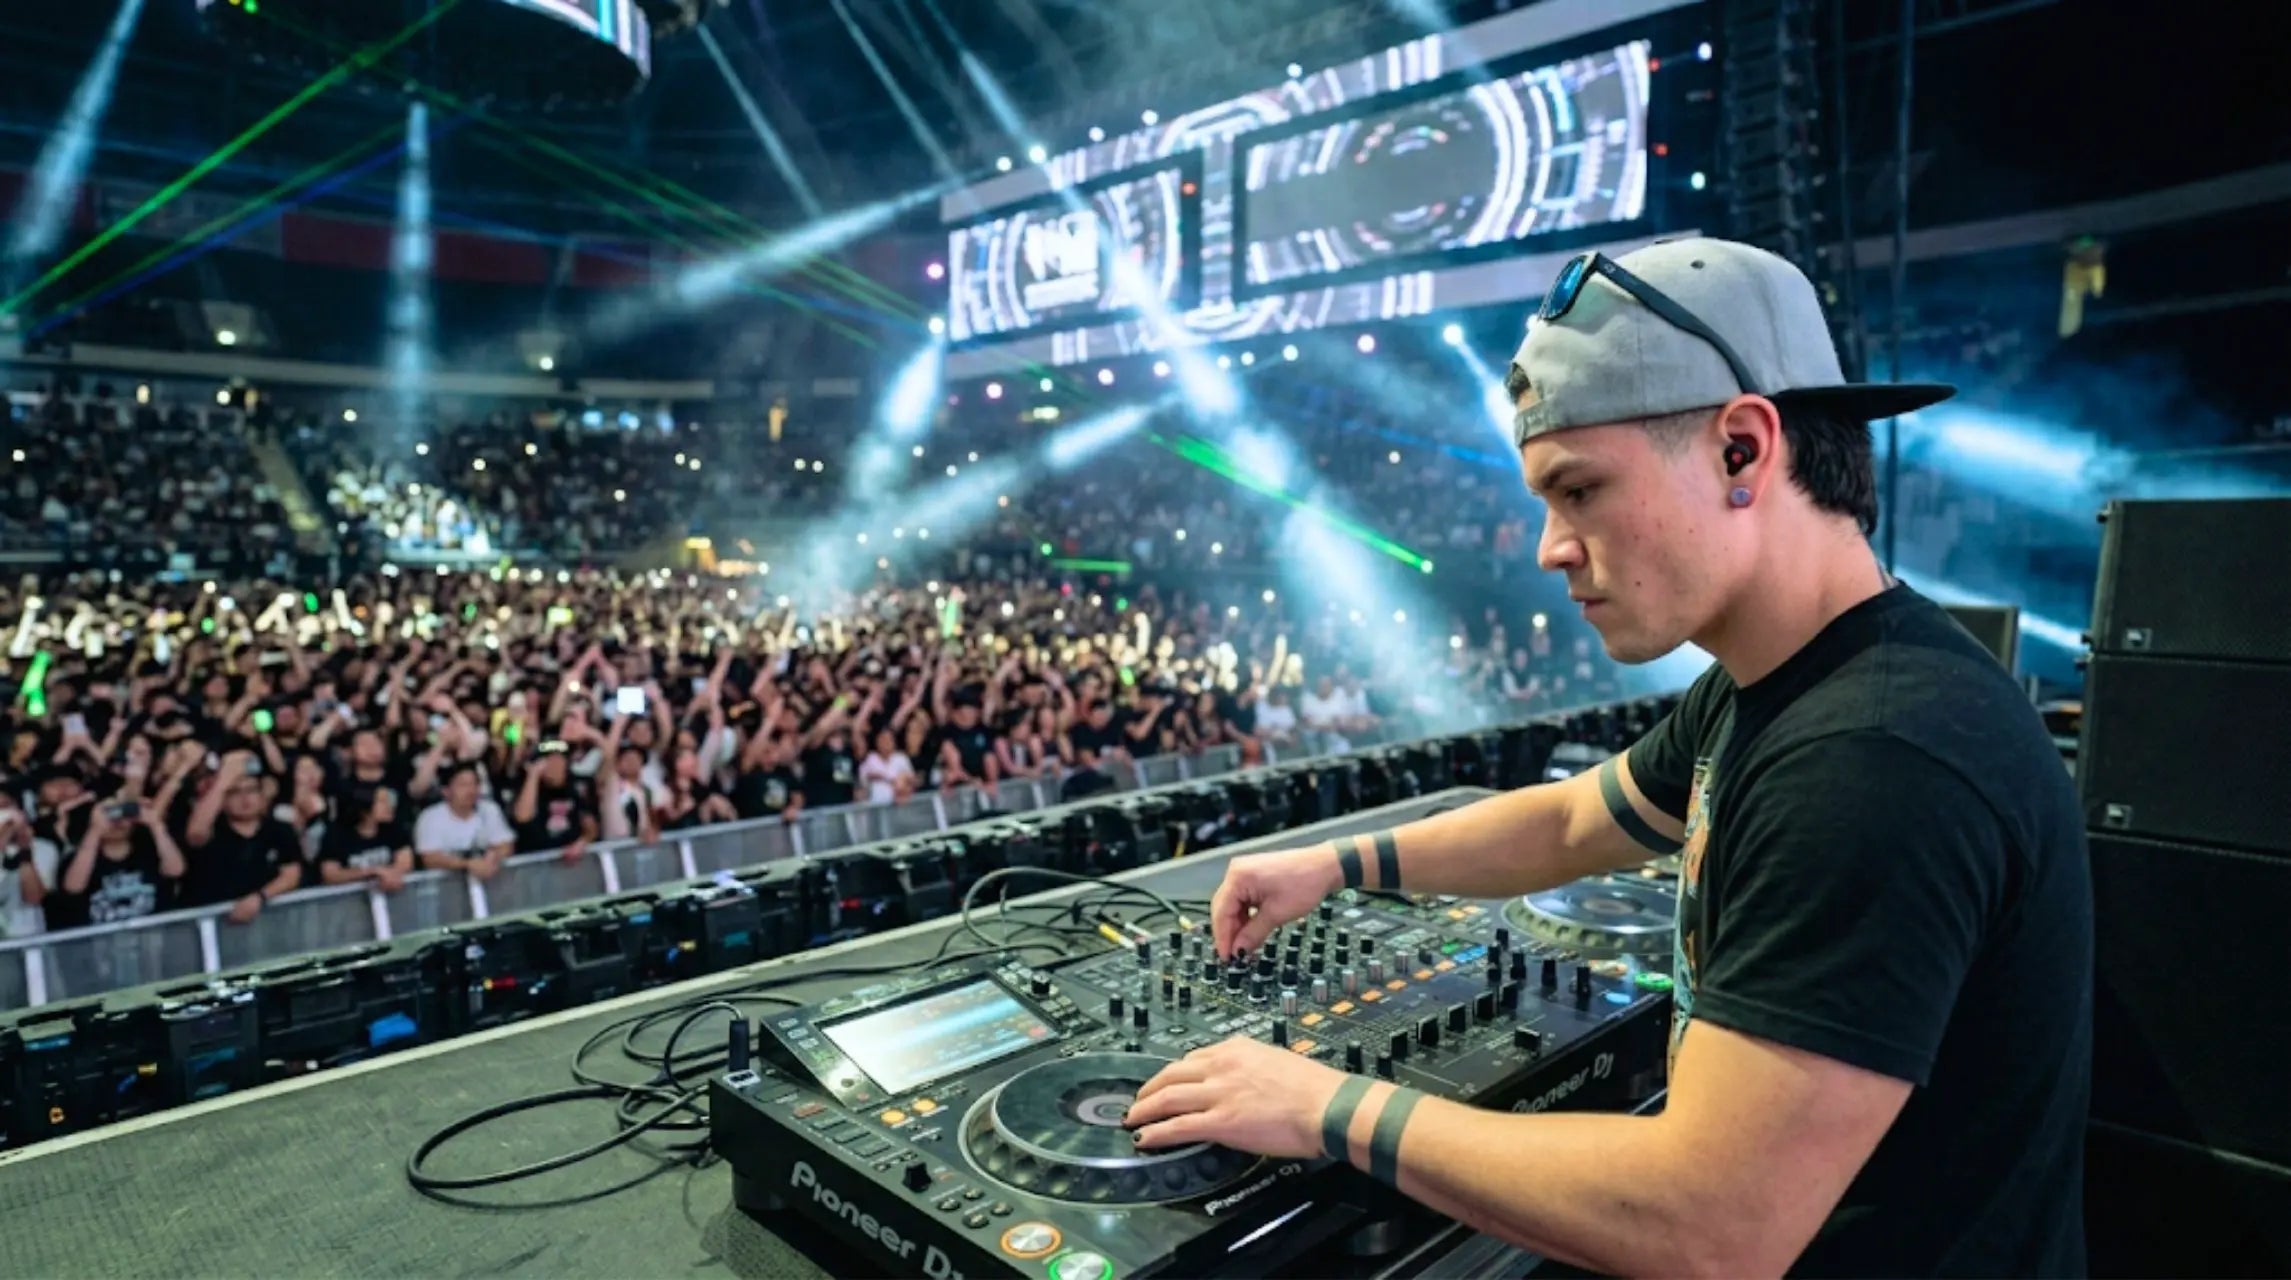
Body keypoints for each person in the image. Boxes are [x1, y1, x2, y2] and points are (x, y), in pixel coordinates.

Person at [1124, 238, 2091, 1277]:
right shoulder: (1780, 680)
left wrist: (1327, 1104)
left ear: (1741, 450)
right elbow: (1574, 818)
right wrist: (1336, 864)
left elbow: (1707, 1229)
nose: (1549, 545)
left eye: (1578, 490)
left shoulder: (1871, 759)